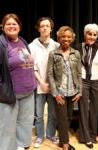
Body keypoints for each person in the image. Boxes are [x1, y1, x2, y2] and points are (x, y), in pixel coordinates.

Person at [0, 13, 36, 150]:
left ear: (19, 27)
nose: (11, 26)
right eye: (8, 24)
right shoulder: (1, 44)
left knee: (25, 122)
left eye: (14, 24)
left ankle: (21, 145)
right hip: (10, 94)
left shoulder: (22, 41)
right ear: (3, 27)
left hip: (28, 91)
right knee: (7, 126)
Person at [47, 26, 82, 150]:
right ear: (59, 38)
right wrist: (55, 93)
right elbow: (50, 74)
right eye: (63, 36)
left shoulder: (76, 53)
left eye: (68, 36)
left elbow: (79, 73)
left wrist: (80, 91)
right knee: (62, 119)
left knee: (68, 118)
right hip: (60, 92)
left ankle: (62, 140)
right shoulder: (53, 53)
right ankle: (66, 146)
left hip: (72, 92)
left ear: (72, 38)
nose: (66, 39)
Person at [29, 17, 59, 148]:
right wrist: (41, 83)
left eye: (47, 26)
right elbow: (31, 67)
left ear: (51, 28)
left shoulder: (57, 46)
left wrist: (52, 85)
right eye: (42, 26)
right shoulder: (31, 46)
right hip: (39, 85)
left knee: (53, 113)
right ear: (38, 28)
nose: (45, 28)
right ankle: (40, 136)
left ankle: (51, 134)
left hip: (54, 87)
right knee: (39, 114)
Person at [76, 23, 98, 149]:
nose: (92, 36)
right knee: (83, 108)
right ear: (85, 34)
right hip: (83, 81)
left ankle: (93, 134)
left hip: (96, 81)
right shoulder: (77, 47)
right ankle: (85, 137)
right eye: (89, 34)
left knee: (95, 108)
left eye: (94, 34)